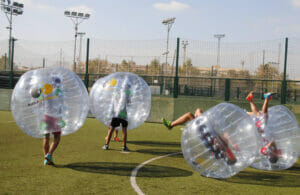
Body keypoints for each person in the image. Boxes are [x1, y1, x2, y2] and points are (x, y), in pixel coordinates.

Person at [162, 108, 238, 165]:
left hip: (203, 132)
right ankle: (172, 125)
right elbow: (224, 135)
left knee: (189, 115)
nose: (231, 154)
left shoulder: (219, 151)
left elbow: (215, 141)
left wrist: (222, 141)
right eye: (232, 155)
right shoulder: (225, 148)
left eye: (231, 156)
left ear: (227, 157)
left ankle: (171, 125)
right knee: (198, 111)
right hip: (209, 129)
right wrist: (232, 143)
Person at [246, 91, 280, 163]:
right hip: (264, 130)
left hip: (263, 130)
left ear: (272, 156)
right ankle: (250, 100)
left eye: (276, 156)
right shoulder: (268, 152)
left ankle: (266, 98)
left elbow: (272, 142)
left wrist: (275, 149)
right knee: (259, 114)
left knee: (263, 114)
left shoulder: (265, 151)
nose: (277, 154)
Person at [40, 75, 64, 166]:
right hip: (56, 117)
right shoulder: (59, 92)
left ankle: (46, 159)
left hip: (45, 116)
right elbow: (61, 105)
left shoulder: (46, 91)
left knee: (46, 138)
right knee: (57, 138)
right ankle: (49, 154)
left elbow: (40, 103)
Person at [102, 83, 131, 151]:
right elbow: (129, 102)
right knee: (124, 131)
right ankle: (124, 146)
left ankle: (106, 145)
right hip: (123, 113)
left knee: (111, 130)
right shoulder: (126, 93)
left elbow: (111, 101)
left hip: (116, 113)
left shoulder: (116, 93)